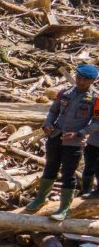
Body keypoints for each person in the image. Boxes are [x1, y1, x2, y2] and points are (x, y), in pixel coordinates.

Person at [25, 64, 99, 220]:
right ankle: (40, 198)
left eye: (85, 80)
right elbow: (53, 111)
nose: (80, 81)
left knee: (68, 174)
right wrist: (47, 124)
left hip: (74, 142)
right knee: (50, 167)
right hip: (55, 136)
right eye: (78, 77)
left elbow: (96, 122)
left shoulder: (95, 98)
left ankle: (64, 208)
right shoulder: (65, 93)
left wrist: (80, 133)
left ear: (92, 81)